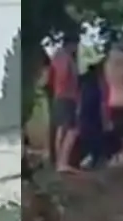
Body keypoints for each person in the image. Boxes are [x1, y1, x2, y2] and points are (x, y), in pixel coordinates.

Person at [48, 36, 80, 173]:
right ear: (71, 44)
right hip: (66, 96)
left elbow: (50, 78)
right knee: (71, 129)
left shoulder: (57, 56)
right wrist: (67, 87)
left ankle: (60, 162)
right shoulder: (65, 57)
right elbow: (63, 74)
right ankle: (62, 162)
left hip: (59, 95)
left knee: (62, 129)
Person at [75, 60, 108, 168]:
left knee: (87, 138)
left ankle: (87, 159)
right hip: (94, 117)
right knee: (96, 139)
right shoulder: (97, 86)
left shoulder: (84, 84)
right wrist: (105, 120)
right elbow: (101, 104)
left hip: (84, 116)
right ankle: (93, 160)